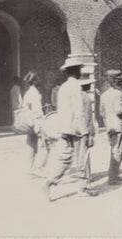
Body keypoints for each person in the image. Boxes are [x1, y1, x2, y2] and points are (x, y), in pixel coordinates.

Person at [44, 58, 92, 200]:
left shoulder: (63, 87)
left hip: (64, 128)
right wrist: (85, 131)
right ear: (77, 71)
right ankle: (83, 188)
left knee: (65, 159)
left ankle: (51, 181)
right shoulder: (76, 86)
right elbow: (79, 110)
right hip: (77, 129)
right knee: (81, 158)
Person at [100, 69, 122, 185]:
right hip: (117, 126)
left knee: (114, 150)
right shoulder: (118, 94)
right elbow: (118, 110)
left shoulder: (104, 94)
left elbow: (101, 112)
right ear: (117, 81)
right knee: (117, 152)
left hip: (109, 126)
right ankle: (112, 177)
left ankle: (114, 175)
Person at [77, 77, 98, 196]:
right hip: (85, 131)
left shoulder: (77, 97)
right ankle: (84, 185)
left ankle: (85, 181)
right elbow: (89, 118)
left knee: (79, 158)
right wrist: (91, 134)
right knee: (84, 158)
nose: (90, 86)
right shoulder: (86, 98)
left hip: (77, 131)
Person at [22, 71, 44, 171]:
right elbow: (37, 110)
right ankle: (38, 168)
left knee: (31, 145)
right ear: (35, 81)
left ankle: (29, 168)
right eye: (37, 80)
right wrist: (40, 125)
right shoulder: (34, 93)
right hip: (35, 122)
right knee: (42, 145)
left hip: (29, 122)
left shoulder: (28, 92)